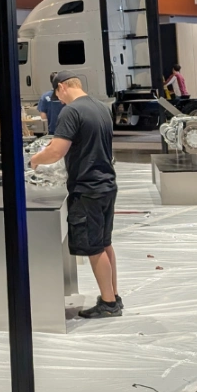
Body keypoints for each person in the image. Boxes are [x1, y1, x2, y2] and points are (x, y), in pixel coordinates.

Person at [30, 71, 120, 319]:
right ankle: (113, 295)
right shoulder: (100, 108)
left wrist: (35, 160)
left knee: (94, 247)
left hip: (87, 188)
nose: (59, 101)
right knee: (105, 242)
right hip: (106, 184)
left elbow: (56, 151)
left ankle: (109, 304)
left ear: (61, 87)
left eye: (57, 96)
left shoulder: (71, 111)